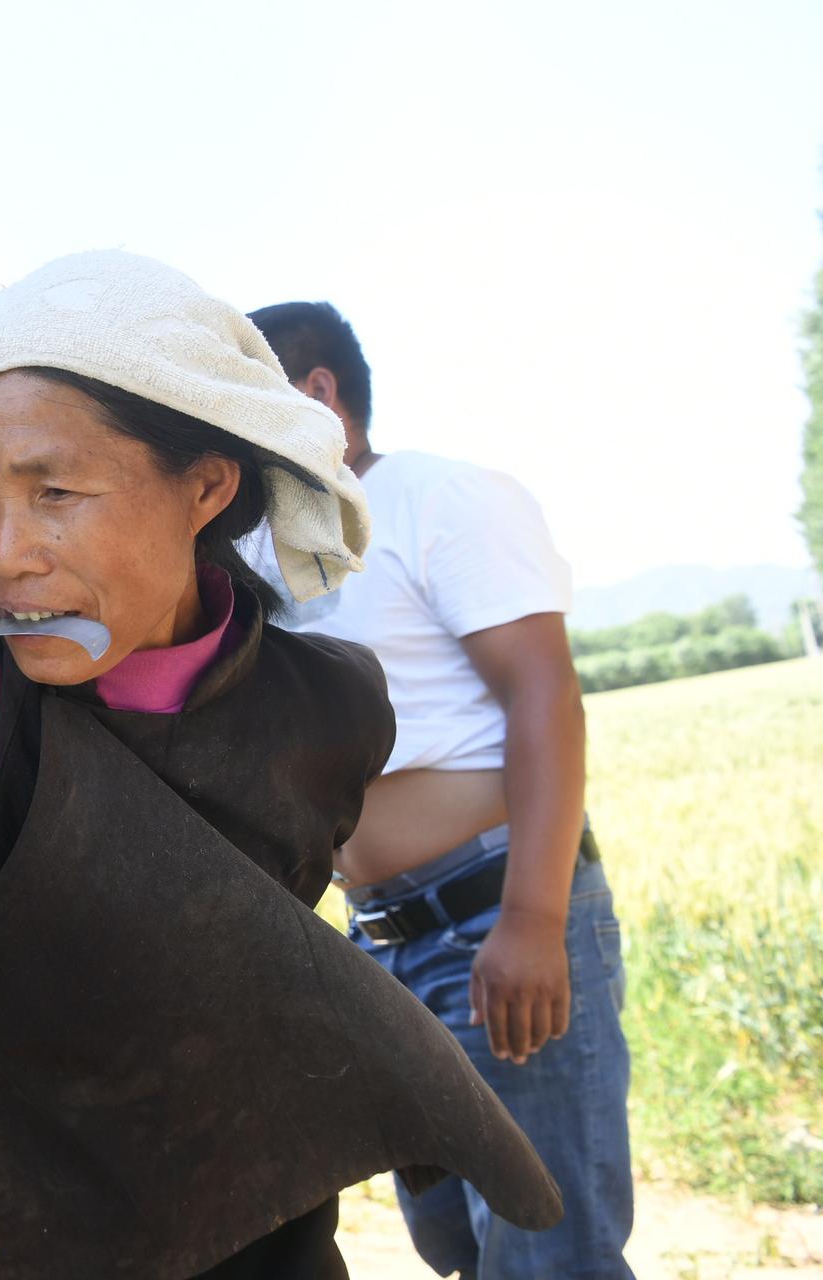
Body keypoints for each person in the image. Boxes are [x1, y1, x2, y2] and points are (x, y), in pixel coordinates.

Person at [0, 252, 564, 1279]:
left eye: (55, 490)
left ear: (203, 484)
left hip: (251, 1236)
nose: (4, 550)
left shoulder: (326, 706)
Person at [248, 300, 633, 1277]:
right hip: (377, 943)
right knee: (453, 1244)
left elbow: (542, 695)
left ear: (317, 393)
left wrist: (533, 918)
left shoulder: (439, 498)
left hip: (490, 916)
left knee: (547, 1250)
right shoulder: (260, 554)